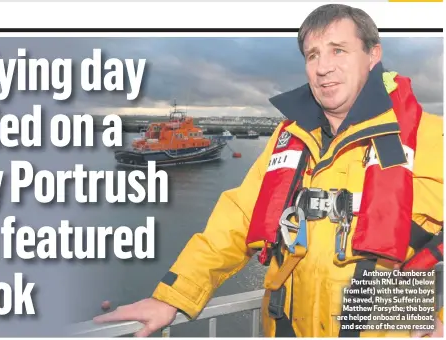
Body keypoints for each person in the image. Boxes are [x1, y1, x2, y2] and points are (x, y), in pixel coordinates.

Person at [93, 4, 444, 338]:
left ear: (373, 55)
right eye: (313, 55)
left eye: (338, 50)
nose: (323, 67)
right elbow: (237, 219)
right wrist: (172, 295)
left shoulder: (431, 136)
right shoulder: (287, 138)